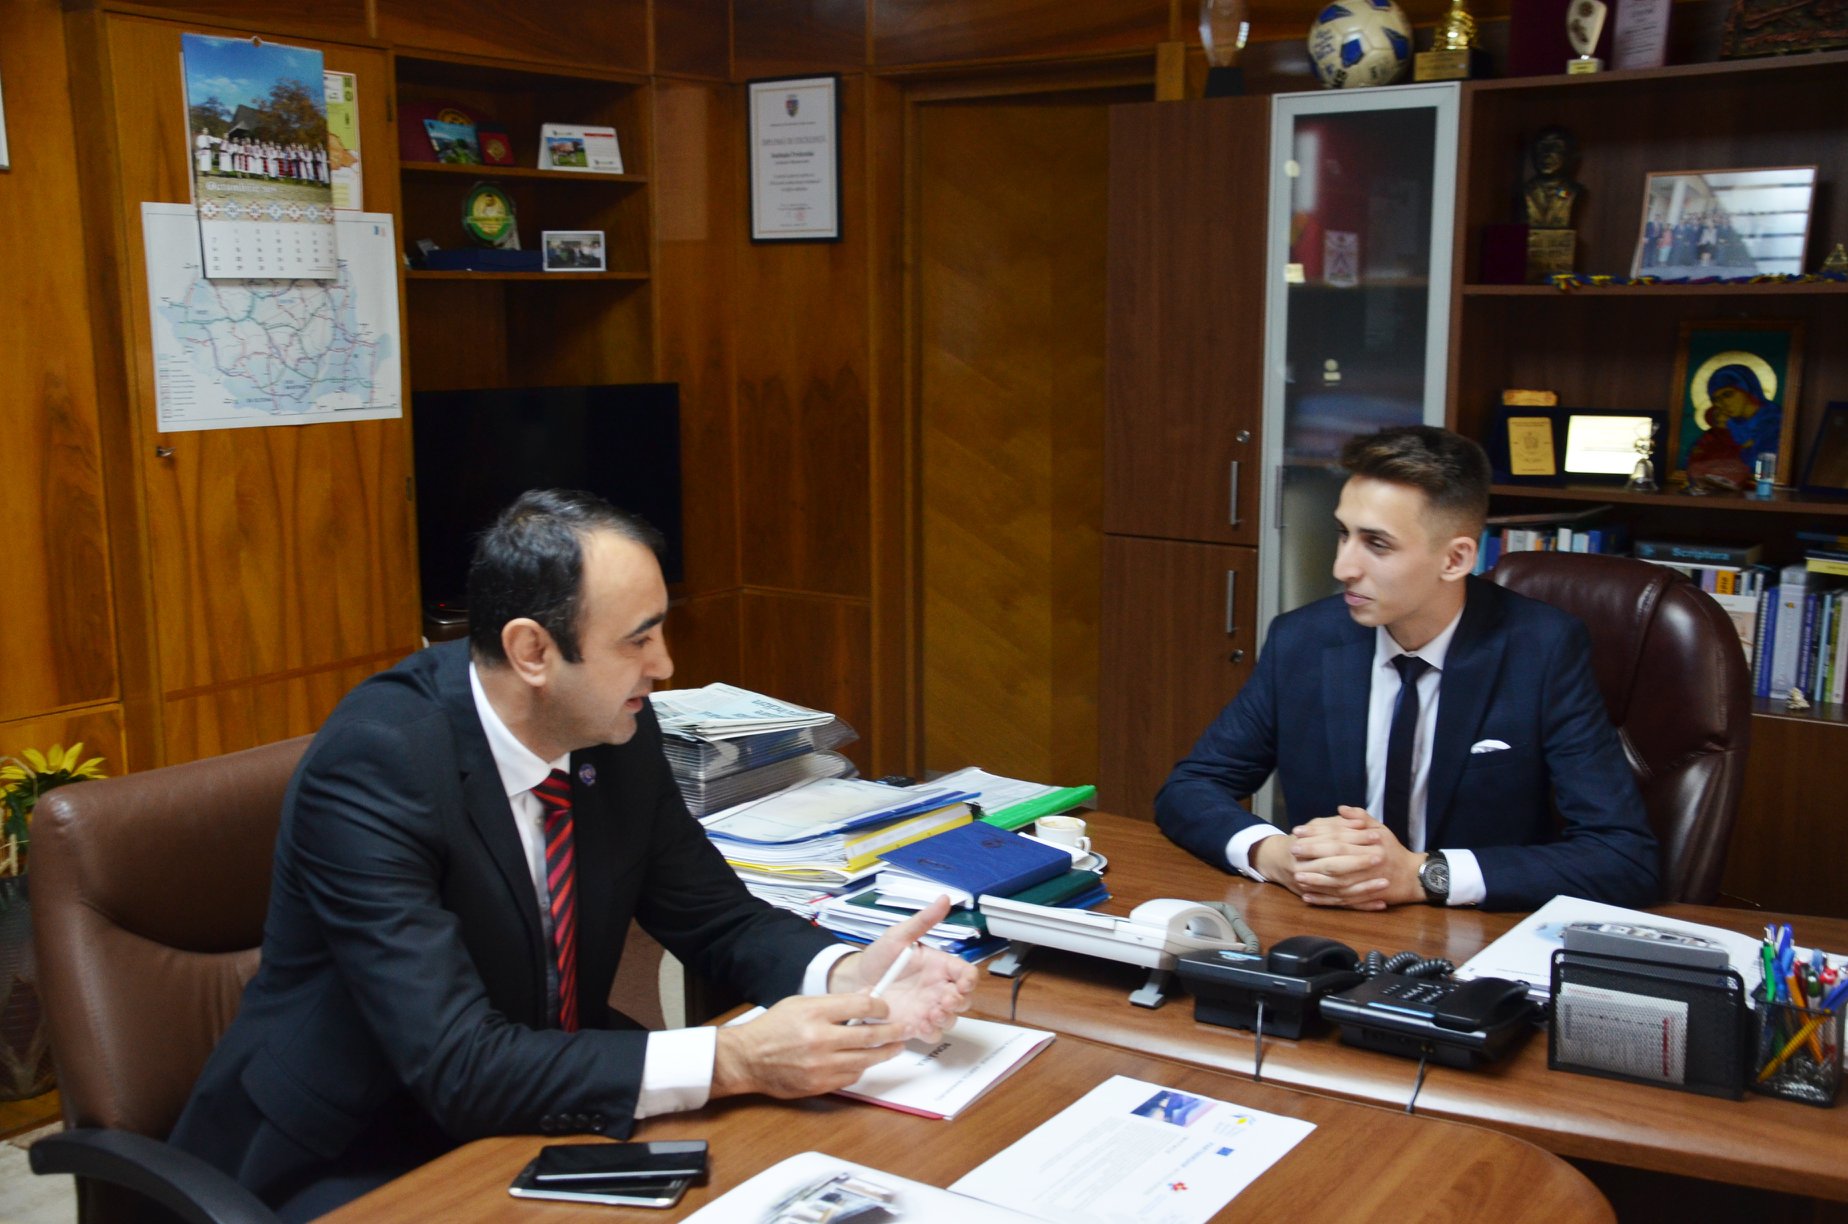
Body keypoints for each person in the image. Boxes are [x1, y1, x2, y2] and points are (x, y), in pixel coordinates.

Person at [170, 489, 975, 1219]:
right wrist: (734, 1058)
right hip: (354, 1153)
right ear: (532, 652)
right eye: (638, 640)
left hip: (536, 1109)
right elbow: (457, 1064)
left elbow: (716, 917)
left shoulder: (612, 728)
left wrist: (846, 974)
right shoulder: (379, 762)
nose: (664, 666)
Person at [1155, 425, 1660, 913]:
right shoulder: (1303, 641)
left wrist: (1422, 875)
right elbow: (1190, 788)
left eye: (1377, 544)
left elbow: (1622, 856)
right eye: (1343, 534)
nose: (1342, 567)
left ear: (1455, 559)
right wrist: (1274, 854)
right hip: (1323, 923)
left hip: (1471, 939)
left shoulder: (1542, 650)